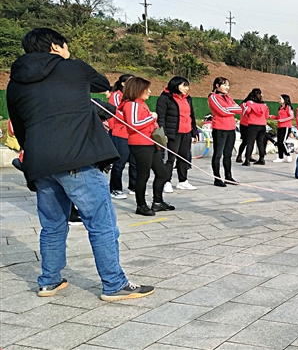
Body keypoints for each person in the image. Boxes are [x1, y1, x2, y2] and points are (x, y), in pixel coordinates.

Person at [6, 28, 154, 301]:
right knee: (101, 224)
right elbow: (102, 83)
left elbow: (19, 125)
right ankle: (114, 284)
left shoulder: (15, 82)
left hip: (40, 163)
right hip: (78, 159)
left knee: (52, 225)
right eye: (65, 45)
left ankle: (49, 281)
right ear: (55, 46)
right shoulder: (72, 68)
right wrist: (69, 67)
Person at [121, 77, 175, 215]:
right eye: (147, 89)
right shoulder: (131, 104)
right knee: (143, 175)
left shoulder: (141, 104)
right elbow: (134, 125)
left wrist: (159, 134)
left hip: (151, 142)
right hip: (140, 144)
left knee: (162, 173)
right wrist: (152, 117)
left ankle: (157, 202)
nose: (149, 92)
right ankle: (141, 205)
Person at [156, 76, 199, 192]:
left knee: (184, 157)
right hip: (172, 133)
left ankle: (183, 181)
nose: (187, 88)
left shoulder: (188, 99)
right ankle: (166, 181)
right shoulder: (165, 98)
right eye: (184, 85)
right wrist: (163, 133)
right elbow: (161, 118)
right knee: (170, 158)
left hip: (186, 132)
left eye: (187, 85)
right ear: (175, 85)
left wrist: (194, 132)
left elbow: (192, 116)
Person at [208, 77, 242, 187]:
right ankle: (217, 178)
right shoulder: (213, 97)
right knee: (218, 154)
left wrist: (229, 109)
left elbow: (240, 109)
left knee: (228, 154)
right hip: (220, 129)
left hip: (231, 128)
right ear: (217, 85)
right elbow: (222, 111)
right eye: (224, 85)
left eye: (228, 85)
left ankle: (228, 177)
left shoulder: (229, 98)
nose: (227, 87)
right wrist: (231, 110)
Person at [108, 74, 137, 199]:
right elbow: (116, 112)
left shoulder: (132, 97)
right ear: (123, 83)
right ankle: (115, 188)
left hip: (132, 133)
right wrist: (132, 119)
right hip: (120, 132)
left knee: (135, 161)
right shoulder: (116, 96)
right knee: (120, 162)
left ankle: (133, 186)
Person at [241, 88, 269, 166]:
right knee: (260, 142)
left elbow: (246, 111)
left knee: (250, 142)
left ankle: (247, 160)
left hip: (253, 125)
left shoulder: (250, 103)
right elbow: (266, 116)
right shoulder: (264, 105)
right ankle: (262, 159)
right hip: (262, 125)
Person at [271, 94, 294, 163]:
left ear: (285, 100)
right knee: (279, 142)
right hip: (280, 126)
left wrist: (282, 120)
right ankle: (280, 157)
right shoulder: (280, 108)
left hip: (286, 126)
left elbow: (291, 117)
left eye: (280, 98)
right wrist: (273, 117)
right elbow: (279, 118)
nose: (279, 100)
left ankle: (288, 154)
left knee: (282, 142)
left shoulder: (288, 107)